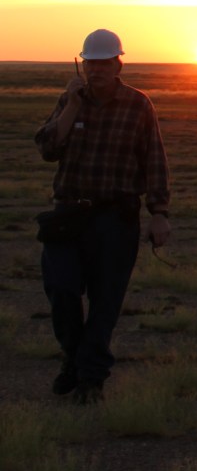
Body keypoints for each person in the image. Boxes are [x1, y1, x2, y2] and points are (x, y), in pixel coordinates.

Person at [33, 28, 172, 402]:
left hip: (116, 219)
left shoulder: (138, 105)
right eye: (90, 63)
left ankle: (90, 379)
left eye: (104, 63)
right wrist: (73, 107)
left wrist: (159, 212)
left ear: (118, 64)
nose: (96, 70)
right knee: (61, 288)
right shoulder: (69, 100)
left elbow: (154, 159)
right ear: (82, 65)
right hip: (68, 215)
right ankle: (73, 357)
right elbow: (47, 148)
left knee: (105, 301)